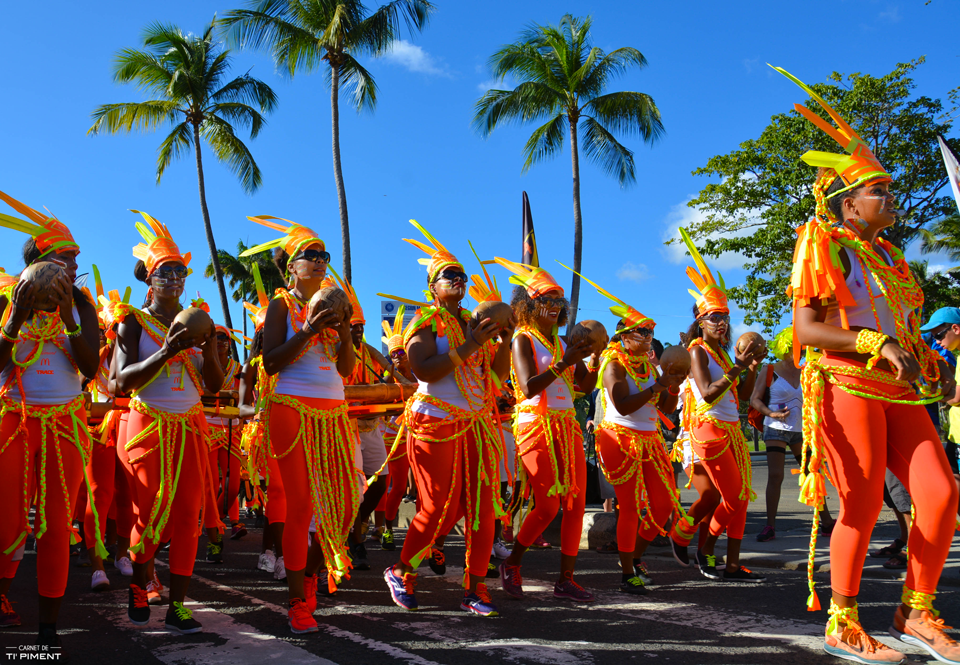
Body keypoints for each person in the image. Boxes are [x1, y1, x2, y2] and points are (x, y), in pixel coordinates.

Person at [774, 67, 960, 663]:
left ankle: (917, 610)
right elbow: (807, 330)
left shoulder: (893, 259)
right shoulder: (821, 240)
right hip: (845, 382)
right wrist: (875, 345)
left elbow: (903, 329)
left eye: (889, 187)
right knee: (857, 501)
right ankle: (843, 620)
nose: (891, 197)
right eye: (879, 190)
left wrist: (933, 361)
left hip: (901, 392)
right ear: (847, 202)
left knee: (941, 492)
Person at [381, 220, 512, 617]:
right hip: (434, 420)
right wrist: (472, 343)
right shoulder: (427, 321)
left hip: (475, 422)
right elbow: (424, 370)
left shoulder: (472, 322)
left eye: (461, 275)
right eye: (448, 276)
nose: (457, 280)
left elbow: (496, 376)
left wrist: (501, 339)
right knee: (436, 504)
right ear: (432, 286)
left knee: (483, 505)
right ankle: (401, 570)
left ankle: (475, 587)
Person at [240, 215, 360, 633]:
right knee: (301, 505)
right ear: (291, 265)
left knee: (346, 501)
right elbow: (270, 361)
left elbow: (345, 369)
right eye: (308, 255)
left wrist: (343, 331)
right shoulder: (281, 305)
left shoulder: (334, 306)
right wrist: (309, 329)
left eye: (322, 255)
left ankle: (309, 573)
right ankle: (296, 602)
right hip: (289, 406)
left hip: (333, 411)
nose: (318, 261)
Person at [115, 210, 224, 634]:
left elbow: (213, 386)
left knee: (186, 518)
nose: (175, 278)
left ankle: (178, 604)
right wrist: (166, 351)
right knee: (149, 515)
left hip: (191, 425)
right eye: (165, 271)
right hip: (147, 426)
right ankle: (140, 585)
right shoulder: (132, 320)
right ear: (149, 278)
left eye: (180, 270)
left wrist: (209, 344)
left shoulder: (198, 317)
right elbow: (121, 381)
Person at [0, 190, 101, 649]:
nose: (74, 266)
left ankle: (47, 630)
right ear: (41, 262)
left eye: (77, 258)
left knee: (58, 524)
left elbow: (91, 369)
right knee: (8, 519)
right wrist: (16, 316)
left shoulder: (80, 304)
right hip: (15, 421)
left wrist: (69, 318)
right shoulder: (7, 297)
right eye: (65, 257)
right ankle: (2, 598)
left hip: (65, 423)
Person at [493, 259, 600, 602]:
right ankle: (512, 562)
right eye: (546, 300)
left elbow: (583, 385)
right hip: (534, 425)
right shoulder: (523, 339)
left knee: (576, 503)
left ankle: (565, 579)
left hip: (566, 425)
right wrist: (566, 361)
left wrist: (592, 359)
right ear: (528, 304)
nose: (553, 307)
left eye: (558, 301)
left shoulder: (561, 341)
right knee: (549, 504)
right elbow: (527, 387)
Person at [578, 273, 686, 595]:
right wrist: (658, 384)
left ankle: (635, 558)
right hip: (619, 438)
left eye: (651, 331)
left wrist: (672, 382)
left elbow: (665, 405)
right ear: (625, 336)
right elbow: (622, 405)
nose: (650, 336)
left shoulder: (648, 365)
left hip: (650, 439)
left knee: (664, 505)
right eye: (643, 331)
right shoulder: (614, 364)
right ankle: (627, 573)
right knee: (628, 506)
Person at [677, 228, 766, 582]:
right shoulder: (696, 351)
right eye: (715, 317)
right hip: (706, 429)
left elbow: (740, 397)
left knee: (740, 499)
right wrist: (738, 368)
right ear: (701, 321)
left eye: (725, 316)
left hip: (731, 429)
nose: (722, 322)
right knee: (727, 497)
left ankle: (729, 562)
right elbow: (709, 392)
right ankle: (699, 544)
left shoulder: (723, 353)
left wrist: (750, 373)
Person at [750, 327, 834, 542]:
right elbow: (755, 400)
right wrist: (771, 413)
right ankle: (770, 525)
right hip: (775, 428)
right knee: (776, 475)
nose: (804, 350)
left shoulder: (807, 369)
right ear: (787, 346)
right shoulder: (770, 370)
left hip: (801, 429)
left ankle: (826, 522)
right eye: (799, 346)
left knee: (811, 473)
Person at [238, 264, 286, 579]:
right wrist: (257, 413)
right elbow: (242, 405)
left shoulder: (291, 359)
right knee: (279, 495)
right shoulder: (251, 367)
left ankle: (273, 552)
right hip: (263, 437)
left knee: (287, 497)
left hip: (292, 430)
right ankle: (278, 554)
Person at [203, 323, 245, 563]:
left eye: (224, 339)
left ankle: (214, 520)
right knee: (209, 485)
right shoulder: (203, 364)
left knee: (232, 485)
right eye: (216, 338)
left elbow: (245, 398)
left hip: (231, 430)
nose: (220, 342)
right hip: (206, 428)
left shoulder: (238, 369)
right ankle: (214, 538)